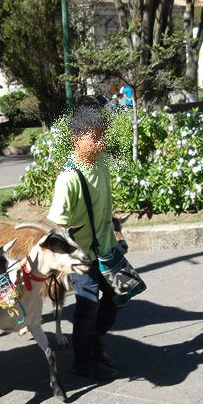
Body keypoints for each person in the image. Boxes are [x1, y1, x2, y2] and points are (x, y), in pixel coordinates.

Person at [47, 103, 126, 381]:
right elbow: (59, 224)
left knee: (114, 300)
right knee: (87, 308)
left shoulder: (102, 164)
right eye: (94, 137)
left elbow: (109, 207)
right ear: (75, 139)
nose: (100, 142)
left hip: (107, 250)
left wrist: (118, 237)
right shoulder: (68, 179)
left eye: (102, 135)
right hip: (83, 257)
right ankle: (83, 361)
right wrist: (69, 260)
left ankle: (94, 342)